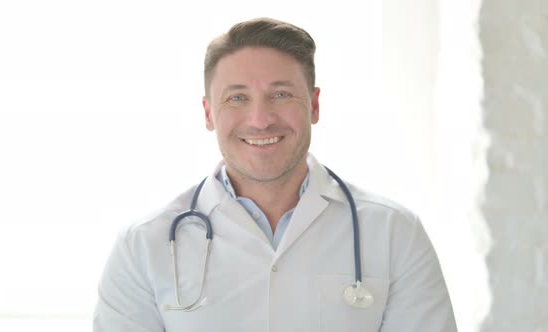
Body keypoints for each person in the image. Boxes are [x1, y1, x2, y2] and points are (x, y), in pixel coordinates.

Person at [93, 17, 457, 332]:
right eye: (237, 98)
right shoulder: (142, 246)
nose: (261, 119)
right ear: (208, 113)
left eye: (281, 94)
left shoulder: (395, 234)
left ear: (314, 105)